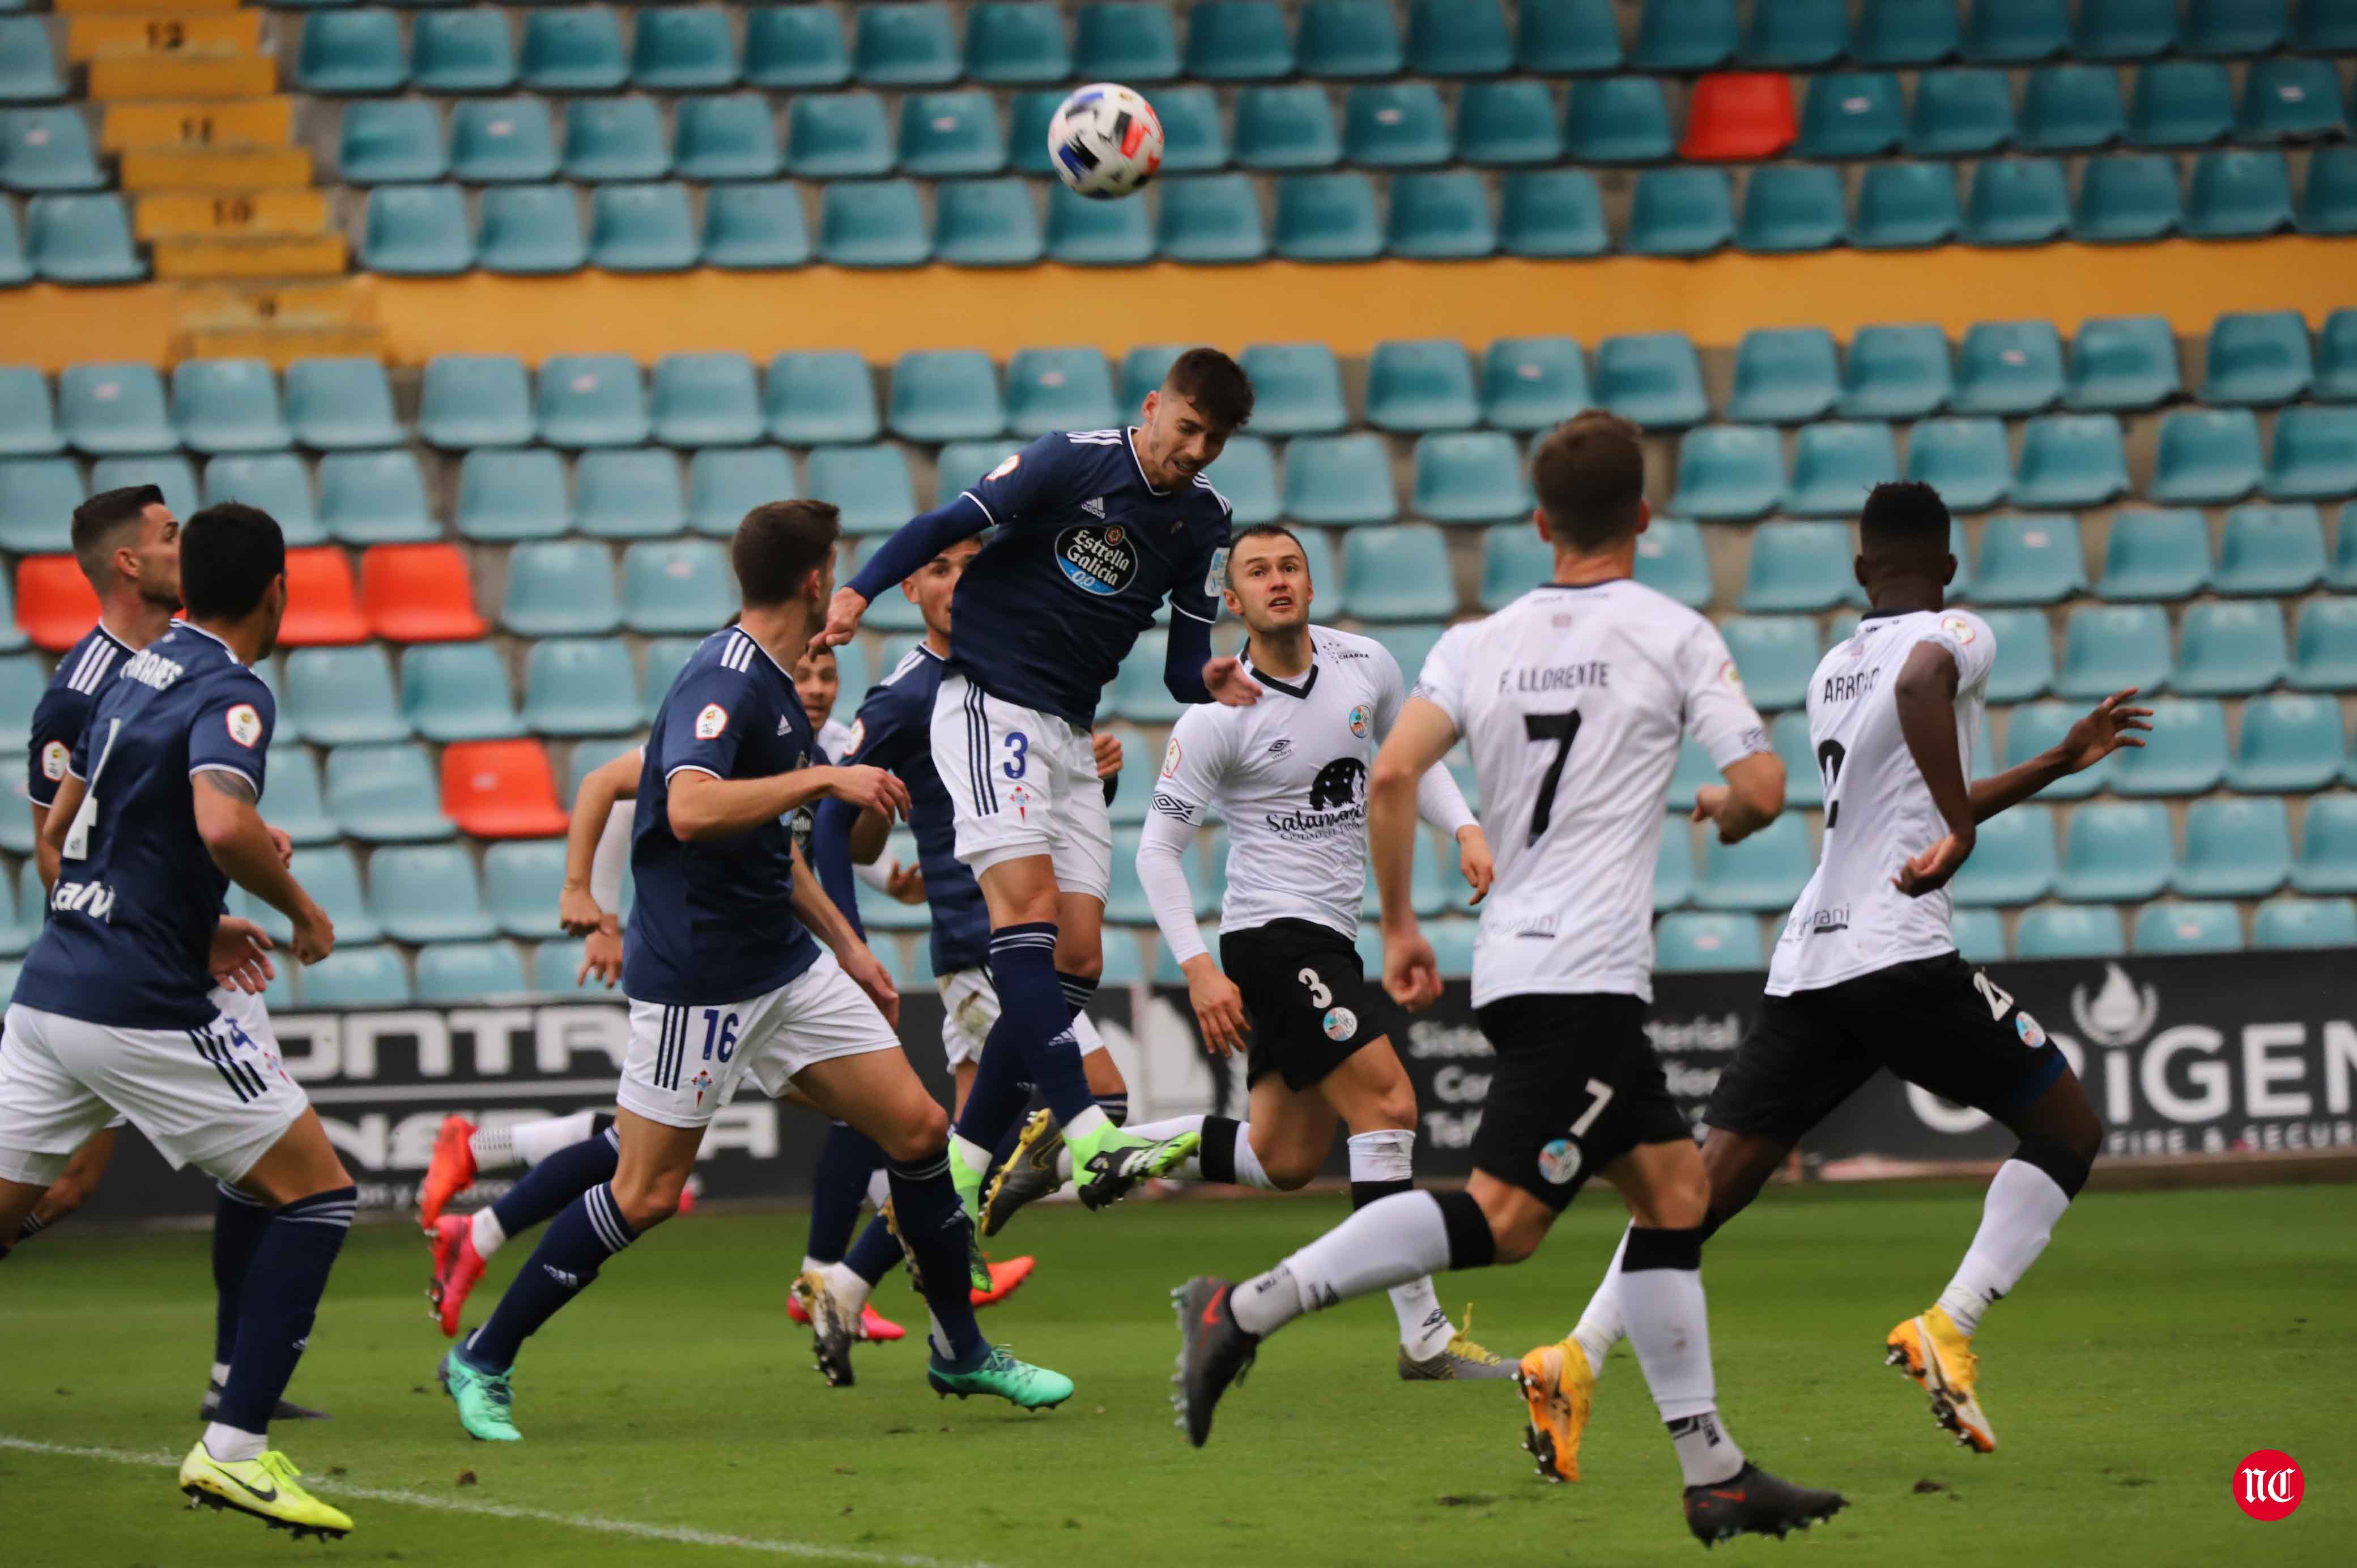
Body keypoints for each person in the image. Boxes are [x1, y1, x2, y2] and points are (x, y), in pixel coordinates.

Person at [1169, 414, 1848, 1549]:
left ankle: (1713, 1471)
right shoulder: (1672, 633)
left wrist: (1398, 924)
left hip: (1524, 964)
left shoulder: (1476, 644)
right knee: (1505, 1219)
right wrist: (1731, 811)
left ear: (1539, 523)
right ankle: (1242, 1309)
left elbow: (1394, 773)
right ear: (1644, 517)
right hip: (1583, 971)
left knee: (1675, 1196)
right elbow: (1767, 787)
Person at [434, 501, 1072, 1442]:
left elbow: (777, 852)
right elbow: (691, 810)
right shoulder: (726, 677)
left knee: (918, 1132)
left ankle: (960, 1350)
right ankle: (483, 1357)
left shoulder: (776, 681)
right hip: (701, 982)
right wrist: (823, 779)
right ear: (816, 580)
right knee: (645, 1193)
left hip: (786, 966)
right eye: (837, 569)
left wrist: (847, 946)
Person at [1551, 481, 2137, 1462]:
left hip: (1815, 956)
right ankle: (1949, 1323)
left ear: (1862, 569)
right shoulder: (1957, 631)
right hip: (1899, 951)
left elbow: (1909, 794)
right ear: (1948, 567)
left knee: (1701, 1189)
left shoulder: (1832, 668)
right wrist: (1960, 835)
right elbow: (1923, 692)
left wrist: (2052, 762)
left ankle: (1575, 1356)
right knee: (2068, 1129)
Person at [981, 522, 1508, 1380]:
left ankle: (1081, 1152)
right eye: (1257, 571)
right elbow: (1157, 853)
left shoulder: (1366, 666)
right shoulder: (1215, 718)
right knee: (1388, 1107)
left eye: (1290, 566)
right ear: (1232, 600)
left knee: (1284, 1158)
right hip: (1270, 937)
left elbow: (1407, 763)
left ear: (1312, 582)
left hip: (1330, 937)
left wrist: (1468, 829)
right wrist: (1198, 968)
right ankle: (1424, 1336)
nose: (1277, 580)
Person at [810, 350, 1261, 1221]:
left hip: (1069, 731)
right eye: (1188, 428)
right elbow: (947, 521)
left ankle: (963, 1164)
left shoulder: (1206, 520)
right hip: (991, 700)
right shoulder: (1069, 459)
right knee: (1029, 916)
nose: (1197, 451)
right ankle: (1088, 1133)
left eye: (1214, 441)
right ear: (1154, 406)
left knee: (1079, 960)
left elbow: (1181, 667)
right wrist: (860, 592)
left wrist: (1212, 678)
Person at [0, 502, 356, 1539]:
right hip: (139, 1004)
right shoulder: (231, 688)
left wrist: (191, 919)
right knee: (318, 1196)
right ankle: (235, 1451)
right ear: (277, 591)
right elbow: (220, 821)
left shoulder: (126, 672)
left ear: (190, 583)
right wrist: (303, 913)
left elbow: (71, 829)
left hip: (52, 989)